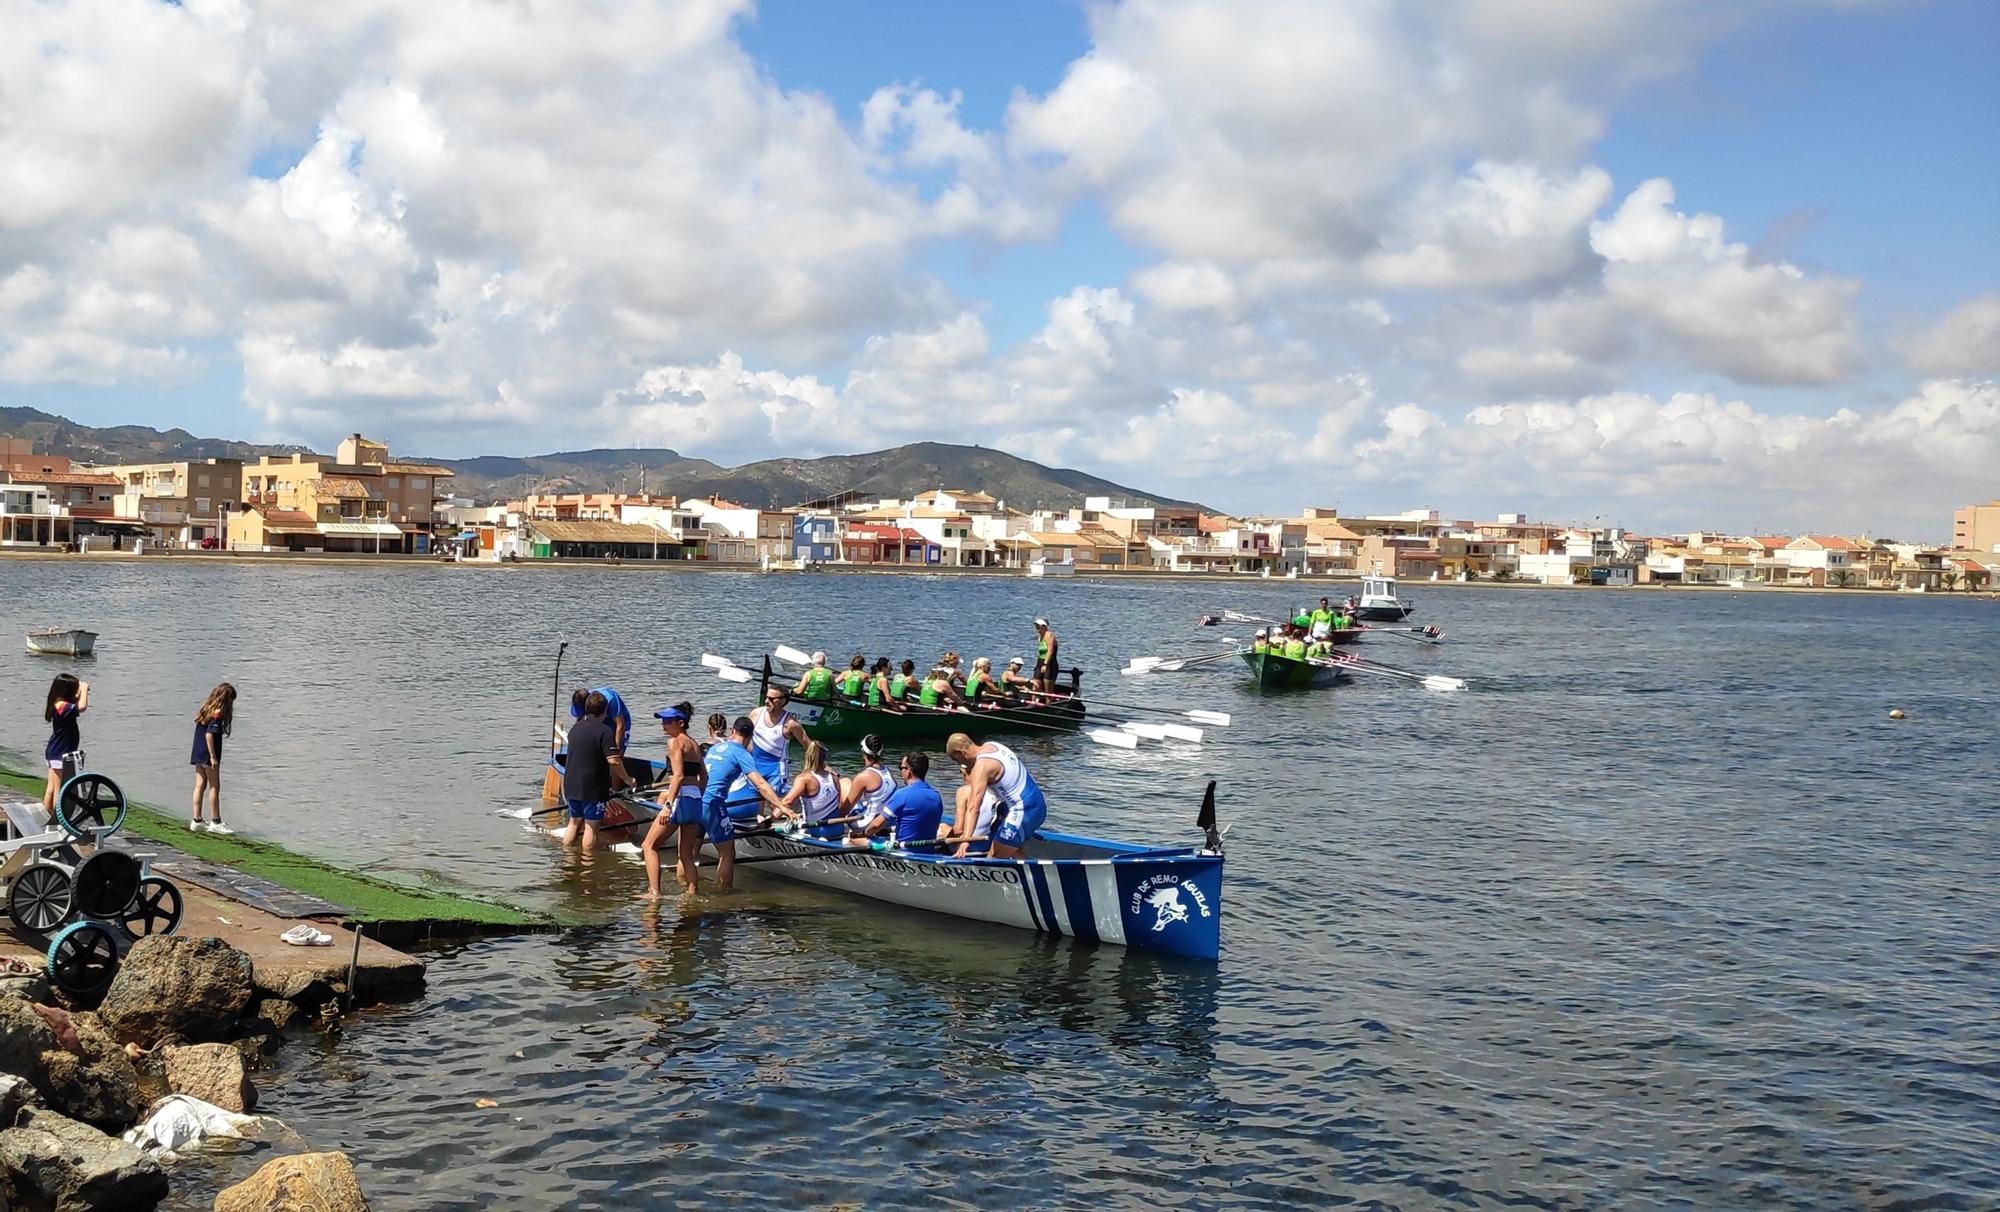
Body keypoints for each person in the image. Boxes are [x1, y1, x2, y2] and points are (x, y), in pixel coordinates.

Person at [700, 716, 786, 890]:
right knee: (727, 853)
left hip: (696, 800)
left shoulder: (714, 748)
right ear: (751, 736)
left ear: (732, 731)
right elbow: (760, 784)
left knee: (689, 852)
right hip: (713, 805)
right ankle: (723, 894)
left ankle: (687, 892)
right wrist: (783, 807)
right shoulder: (742, 753)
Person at [943, 732, 1046, 859]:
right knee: (1002, 847)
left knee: (993, 858)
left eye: (956, 760)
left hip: (1024, 810)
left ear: (961, 752)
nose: (958, 765)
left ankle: (1037, 876)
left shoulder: (981, 767)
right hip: (1037, 803)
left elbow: (973, 808)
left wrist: (965, 841)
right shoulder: (993, 746)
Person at [639, 704, 705, 900]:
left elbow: (677, 776)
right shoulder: (694, 744)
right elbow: (705, 775)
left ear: (680, 723)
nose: (663, 725)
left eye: (667, 721)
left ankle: (654, 892)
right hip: (695, 799)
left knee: (648, 846)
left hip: (680, 799)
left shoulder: (675, 742)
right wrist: (698, 795)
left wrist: (667, 805)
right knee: (686, 853)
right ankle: (692, 893)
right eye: (662, 720)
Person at [563, 691, 634, 849]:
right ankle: (588, 866)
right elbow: (614, 761)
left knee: (574, 822)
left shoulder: (575, 729)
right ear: (605, 712)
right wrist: (628, 780)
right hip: (592, 789)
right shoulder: (605, 731)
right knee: (591, 827)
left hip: (571, 784)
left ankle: (567, 857)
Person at [852, 750, 945, 848]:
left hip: (903, 851)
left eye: (901, 768)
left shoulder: (902, 795)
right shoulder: (936, 796)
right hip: (927, 850)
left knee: (853, 839)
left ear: (908, 772)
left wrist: (864, 833)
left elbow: (876, 826)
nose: (901, 772)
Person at [189, 682, 237, 834]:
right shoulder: (217, 714)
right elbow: (209, 735)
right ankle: (215, 821)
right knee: (214, 786)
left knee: (199, 785)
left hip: (197, 753)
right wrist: (213, 757)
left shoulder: (205, 710)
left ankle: (196, 820)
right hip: (208, 755)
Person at [41, 674, 88, 819]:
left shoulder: (59, 703)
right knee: (58, 790)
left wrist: (79, 690)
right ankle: (57, 821)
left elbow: (75, 703)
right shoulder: (61, 706)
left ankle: (46, 816)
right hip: (59, 753)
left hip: (56, 751)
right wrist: (84, 689)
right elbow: (82, 707)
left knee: (51, 788)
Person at [749, 685, 810, 794]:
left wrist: (818, 767)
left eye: (771, 699)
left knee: (776, 806)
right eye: (766, 697)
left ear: (782, 702)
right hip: (754, 766)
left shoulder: (791, 724)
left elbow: (810, 747)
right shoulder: (756, 714)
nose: (767, 701)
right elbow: (744, 739)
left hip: (776, 770)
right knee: (756, 806)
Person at [839, 734, 899, 833]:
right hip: (887, 820)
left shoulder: (864, 776)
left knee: (844, 782)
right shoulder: (890, 772)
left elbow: (845, 809)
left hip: (867, 824)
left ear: (863, 752)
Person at [778, 740, 842, 825]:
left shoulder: (804, 779)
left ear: (807, 756)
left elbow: (788, 802)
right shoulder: (834, 777)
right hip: (837, 828)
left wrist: (770, 819)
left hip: (814, 830)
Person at [569, 685, 631, 753]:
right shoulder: (581, 699)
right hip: (601, 716)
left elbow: (620, 726)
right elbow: (579, 721)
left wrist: (615, 752)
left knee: (616, 751)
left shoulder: (611, 700)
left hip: (620, 722)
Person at [1032, 619, 1060, 695]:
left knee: (1048, 691)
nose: (1036, 627)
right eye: (1036, 625)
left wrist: (1045, 664)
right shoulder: (1040, 637)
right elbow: (1040, 653)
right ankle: (1034, 703)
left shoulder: (1049, 635)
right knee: (1035, 686)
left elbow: (1050, 651)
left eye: (1038, 625)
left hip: (1049, 664)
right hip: (1040, 663)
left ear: (1044, 626)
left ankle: (1048, 704)